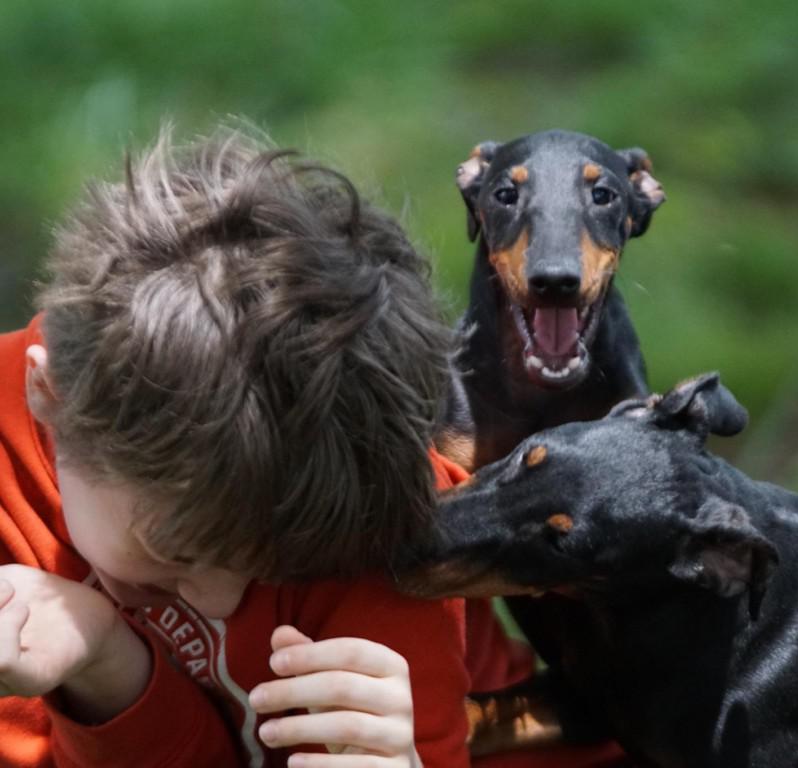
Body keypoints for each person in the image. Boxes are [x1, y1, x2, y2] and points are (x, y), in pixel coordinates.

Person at [0, 125, 472, 767]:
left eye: (271, 563)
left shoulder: (366, 525)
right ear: (48, 394)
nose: (224, 599)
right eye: (176, 548)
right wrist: (110, 673)